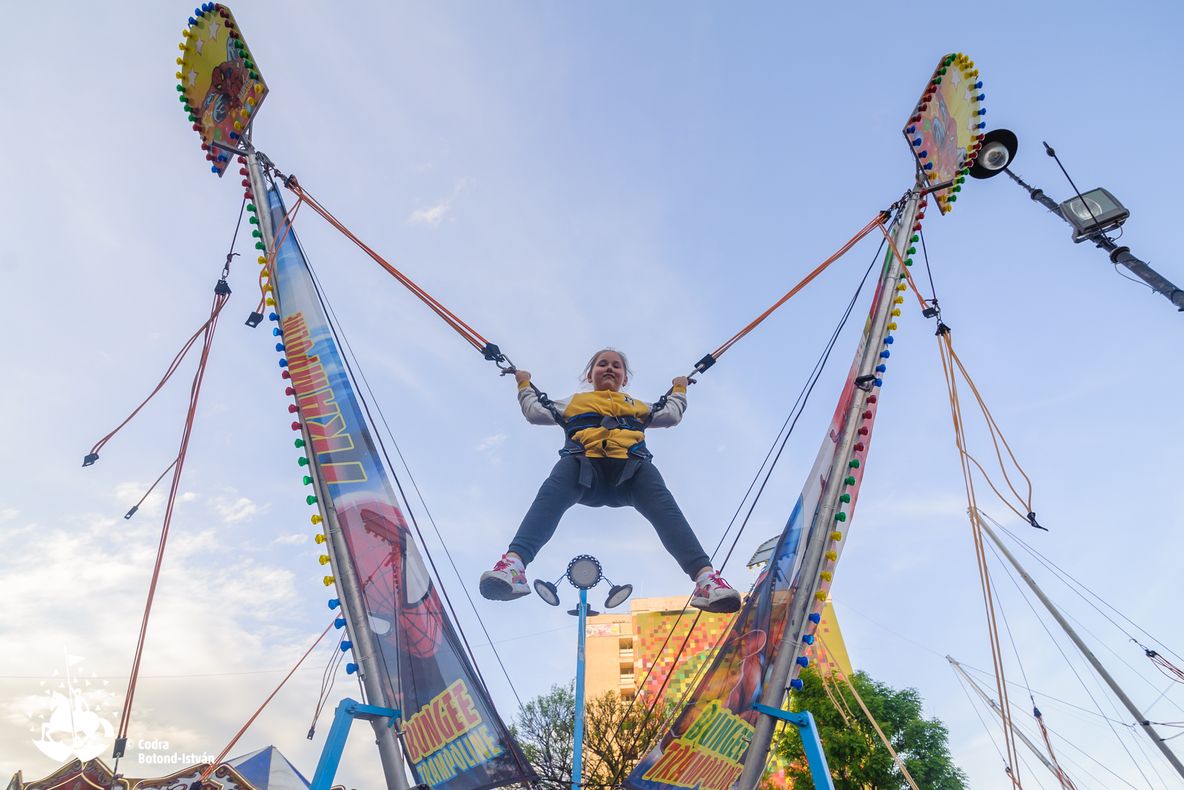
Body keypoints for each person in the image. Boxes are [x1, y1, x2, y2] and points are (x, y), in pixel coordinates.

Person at [479, 348, 741, 614]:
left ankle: (706, 579)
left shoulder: (638, 406)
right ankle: (514, 566)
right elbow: (535, 412)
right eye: (602, 364)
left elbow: (670, 415)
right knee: (550, 495)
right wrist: (523, 383)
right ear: (589, 375)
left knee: (666, 509)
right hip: (583, 469)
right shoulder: (573, 403)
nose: (609, 369)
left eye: (616, 366)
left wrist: (679, 390)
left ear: (624, 378)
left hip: (630, 472)